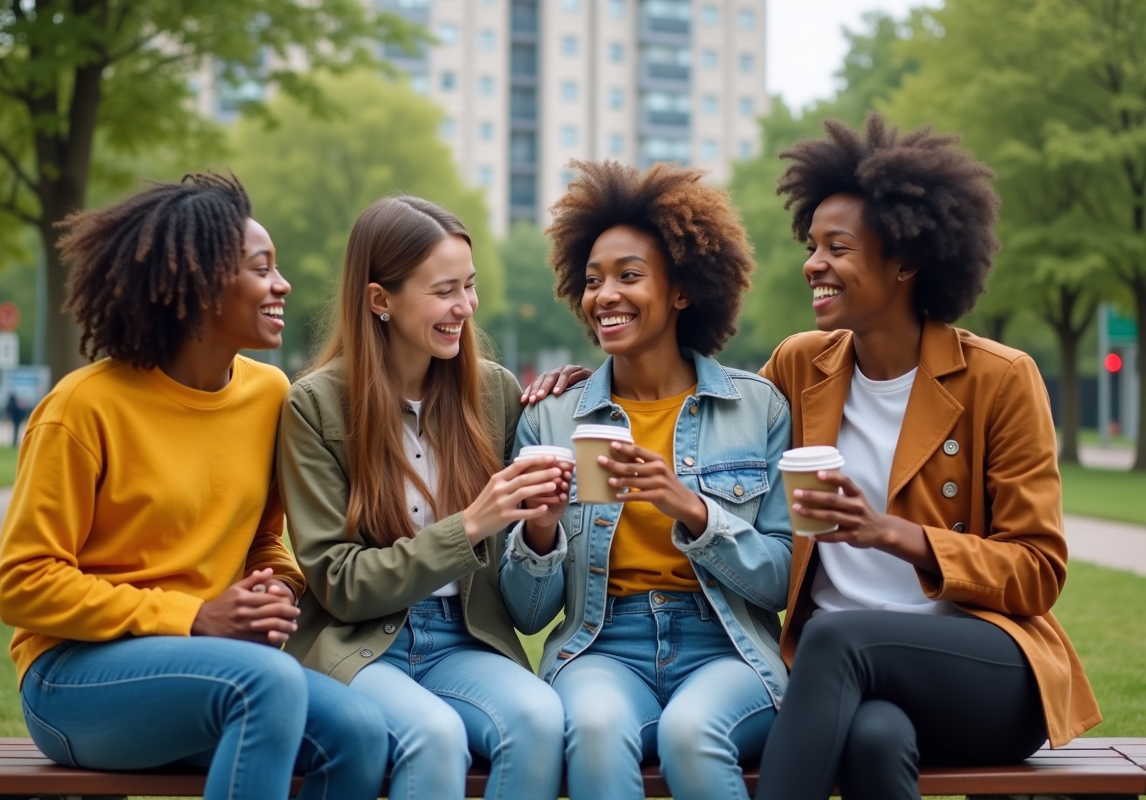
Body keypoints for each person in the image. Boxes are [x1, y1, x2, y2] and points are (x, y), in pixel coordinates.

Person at [0, 173, 388, 800]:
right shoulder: (83, 408)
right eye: (263, 269)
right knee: (267, 683)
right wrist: (195, 617)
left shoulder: (269, 396)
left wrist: (273, 589)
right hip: (72, 679)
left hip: (225, 670)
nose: (282, 285)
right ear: (203, 287)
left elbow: (265, 540)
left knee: (363, 732)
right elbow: (23, 584)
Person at [750, 114, 1101, 800]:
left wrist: (893, 534)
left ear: (905, 260)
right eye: (812, 243)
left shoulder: (999, 378)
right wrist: (597, 385)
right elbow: (710, 430)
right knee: (876, 739)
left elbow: (1038, 570)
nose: (812, 263)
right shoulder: (799, 365)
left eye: (837, 246)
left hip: (987, 669)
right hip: (856, 678)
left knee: (834, 639)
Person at [501, 160, 793, 800]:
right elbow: (526, 611)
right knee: (598, 730)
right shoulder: (550, 417)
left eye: (629, 276)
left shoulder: (759, 408)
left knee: (693, 733)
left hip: (726, 646)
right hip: (603, 644)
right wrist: (541, 532)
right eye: (593, 280)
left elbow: (780, 580)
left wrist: (689, 507)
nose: (604, 294)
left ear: (682, 290)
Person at [276, 196, 565, 800]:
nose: (465, 307)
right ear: (380, 300)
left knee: (540, 720)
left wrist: (568, 405)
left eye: (470, 285)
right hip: (361, 647)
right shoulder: (315, 406)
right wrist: (470, 525)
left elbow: (527, 596)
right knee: (433, 736)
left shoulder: (495, 393)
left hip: (466, 637)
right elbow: (339, 584)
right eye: (443, 291)